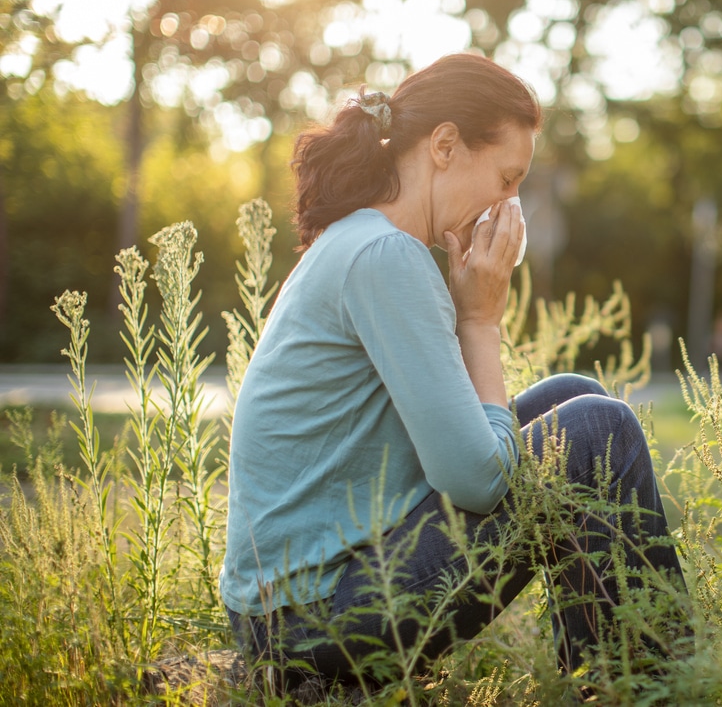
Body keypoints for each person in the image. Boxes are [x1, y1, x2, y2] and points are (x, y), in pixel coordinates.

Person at [220, 53, 688, 688]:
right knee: (599, 432)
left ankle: (611, 677)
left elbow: (457, 446)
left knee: (573, 398)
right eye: (506, 177)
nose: (510, 206)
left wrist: (473, 315)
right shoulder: (386, 255)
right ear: (445, 145)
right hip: (314, 619)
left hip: (305, 605)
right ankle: (662, 691)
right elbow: (474, 480)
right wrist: (480, 321)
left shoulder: (368, 240)